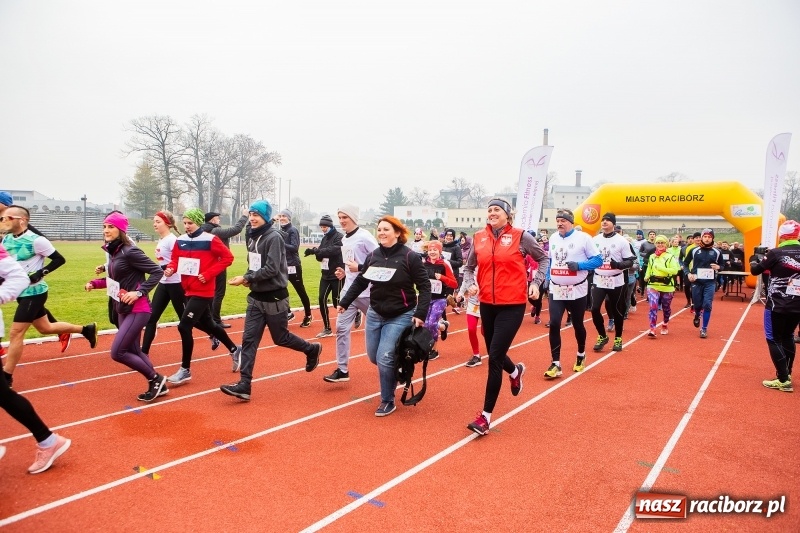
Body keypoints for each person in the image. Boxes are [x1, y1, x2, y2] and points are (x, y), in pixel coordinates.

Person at [456, 199, 547, 435]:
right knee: (495, 352)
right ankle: (515, 372)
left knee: (494, 358)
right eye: (489, 210)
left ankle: (485, 418)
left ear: (508, 215)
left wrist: (536, 283)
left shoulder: (521, 236)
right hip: (487, 303)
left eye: (497, 209)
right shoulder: (479, 238)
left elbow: (544, 259)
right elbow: (468, 268)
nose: (492, 212)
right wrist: (469, 285)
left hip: (513, 305)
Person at [219, 200, 323, 401]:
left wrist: (248, 278)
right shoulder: (252, 237)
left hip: (275, 297)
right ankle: (244, 385)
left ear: (265, 217)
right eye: (250, 214)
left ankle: (312, 349)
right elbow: (254, 264)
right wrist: (248, 277)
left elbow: (273, 268)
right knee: (249, 340)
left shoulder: (273, 237)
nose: (252, 218)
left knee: (280, 338)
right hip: (256, 298)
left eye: (256, 215)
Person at [337, 215, 431, 417]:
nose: (381, 233)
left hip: (401, 314)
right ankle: (396, 369)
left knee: (384, 357)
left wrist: (421, 313)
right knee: (374, 357)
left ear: (397, 233)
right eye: (379, 229)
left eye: (386, 229)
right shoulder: (373, 256)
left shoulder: (409, 257)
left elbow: (424, 286)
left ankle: (387, 400)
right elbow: (361, 282)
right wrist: (345, 301)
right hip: (375, 312)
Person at [1, 205, 97, 388]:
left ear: (21, 220)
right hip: (19, 292)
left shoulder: (36, 241)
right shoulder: (6, 241)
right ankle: (86, 330)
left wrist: (41, 272)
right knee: (45, 328)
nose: (3, 221)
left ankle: (6, 377)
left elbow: (59, 259)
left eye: (7, 218)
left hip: (34, 292)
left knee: (16, 332)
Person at [0, 242, 71, 473]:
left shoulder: (31, 238)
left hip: (35, 292)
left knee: (2, 392)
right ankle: (48, 441)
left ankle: (48, 441)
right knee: (2, 393)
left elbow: (19, 277)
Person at [84, 212, 168, 401]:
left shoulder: (130, 251)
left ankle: (156, 378)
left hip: (138, 309)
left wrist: (139, 292)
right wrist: (95, 283)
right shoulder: (113, 252)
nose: (106, 230)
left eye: (111, 227)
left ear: (120, 230)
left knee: (118, 352)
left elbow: (156, 271)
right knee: (134, 351)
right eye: (104, 226)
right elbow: (115, 281)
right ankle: (158, 385)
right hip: (121, 307)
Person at [163, 208, 241, 385]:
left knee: (184, 326)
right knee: (209, 324)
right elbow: (175, 259)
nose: (187, 226)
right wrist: (171, 268)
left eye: (190, 223)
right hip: (188, 289)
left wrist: (208, 273)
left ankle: (185, 370)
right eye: (184, 223)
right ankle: (234, 349)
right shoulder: (181, 240)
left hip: (204, 290)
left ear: (198, 222)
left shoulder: (210, 239)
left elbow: (227, 258)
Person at [544, 208, 603, 379]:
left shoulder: (584, 238)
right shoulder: (554, 238)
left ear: (571, 222)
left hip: (576, 289)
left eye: (563, 220)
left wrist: (579, 266)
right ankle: (556, 363)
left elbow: (598, 260)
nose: (559, 223)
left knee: (578, 323)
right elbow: (551, 260)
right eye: (558, 220)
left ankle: (581, 354)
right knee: (555, 323)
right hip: (557, 289)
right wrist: (548, 277)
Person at [323, 205, 378, 384]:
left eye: (345, 217)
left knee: (380, 331)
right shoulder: (345, 239)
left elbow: (381, 260)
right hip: (349, 292)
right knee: (340, 328)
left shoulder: (365, 237)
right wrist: (346, 272)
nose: (341, 220)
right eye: (339, 217)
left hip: (369, 292)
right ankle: (342, 369)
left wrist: (360, 268)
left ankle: (395, 360)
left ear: (354, 218)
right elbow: (351, 264)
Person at [749, 220, 800, 392]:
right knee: (788, 336)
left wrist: (754, 259)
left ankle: (783, 379)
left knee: (773, 338)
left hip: (777, 304)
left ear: (781, 235)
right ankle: (787, 373)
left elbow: (756, 271)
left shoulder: (776, 252)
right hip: (797, 304)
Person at [589, 213, 636, 358]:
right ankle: (602, 335)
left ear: (613, 224)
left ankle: (618, 338)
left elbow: (631, 261)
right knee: (595, 308)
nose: (604, 222)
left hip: (616, 280)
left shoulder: (622, 241)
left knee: (617, 310)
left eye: (608, 220)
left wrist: (619, 265)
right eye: (603, 220)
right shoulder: (594, 240)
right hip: (599, 279)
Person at [141, 210, 187, 355]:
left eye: (158, 221)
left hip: (176, 283)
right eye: (154, 221)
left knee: (185, 321)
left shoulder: (172, 240)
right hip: (164, 283)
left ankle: (213, 333)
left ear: (167, 223)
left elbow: (182, 260)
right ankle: (144, 352)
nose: (154, 224)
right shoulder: (161, 240)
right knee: (151, 318)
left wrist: (171, 269)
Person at [200, 209, 248, 328]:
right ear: (213, 220)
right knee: (219, 293)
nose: (219, 220)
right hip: (219, 264)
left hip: (209, 264)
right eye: (217, 218)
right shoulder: (215, 230)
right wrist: (244, 216)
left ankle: (209, 318)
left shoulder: (204, 230)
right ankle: (215, 321)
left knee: (211, 292)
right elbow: (235, 230)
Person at [304, 214, 344, 338]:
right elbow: (321, 256)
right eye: (321, 227)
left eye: (325, 226)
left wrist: (316, 251)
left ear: (331, 226)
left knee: (337, 303)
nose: (323, 229)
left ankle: (355, 311)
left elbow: (334, 250)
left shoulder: (339, 237)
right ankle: (327, 328)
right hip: (325, 275)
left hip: (337, 274)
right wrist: (315, 253)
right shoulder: (324, 239)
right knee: (321, 299)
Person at [422, 240, 458, 360]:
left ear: (439, 251)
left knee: (431, 323)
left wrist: (442, 277)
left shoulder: (444, 265)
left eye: (435, 250)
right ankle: (442, 326)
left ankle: (434, 350)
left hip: (440, 299)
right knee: (425, 324)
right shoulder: (423, 265)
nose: (432, 252)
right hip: (426, 298)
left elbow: (454, 283)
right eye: (430, 250)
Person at [277, 209, 313, 327]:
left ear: (289, 218)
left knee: (300, 291)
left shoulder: (293, 230)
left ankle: (308, 315)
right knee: (279, 288)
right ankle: (288, 312)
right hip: (282, 265)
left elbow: (294, 247)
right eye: (280, 216)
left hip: (293, 265)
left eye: (284, 216)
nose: (282, 218)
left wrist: (280, 242)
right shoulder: (280, 230)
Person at [684, 228, 721, 338]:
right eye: (705, 236)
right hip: (697, 281)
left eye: (709, 237)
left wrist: (719, 267)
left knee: (707, 305)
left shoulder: (717, 252)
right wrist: (688, 274)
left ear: (712, 238)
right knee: (698, 304)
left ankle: (704, 329)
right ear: (702, 237)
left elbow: (723, 265)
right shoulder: (694, 251)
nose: (707, 238)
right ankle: (697, 314)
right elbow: (685, 263)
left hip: (710, 282)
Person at [643, 234, 681, 337]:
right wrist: (646, 276)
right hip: (653, 284)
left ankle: (665, 323)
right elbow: (649, 268)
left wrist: (661, 268)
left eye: (662, 242)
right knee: (653, 306)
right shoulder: (652, 256)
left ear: (666, 244)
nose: (660, 244)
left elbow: (674, 270)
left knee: (666, 307)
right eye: (658, 243)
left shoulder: (670, 256)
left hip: (667, 285)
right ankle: (652, 328)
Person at [463, 282, 484, 368]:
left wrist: (480, 289)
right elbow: (466, 279)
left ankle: (498, 348)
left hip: (485, 302)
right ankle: (476, 355)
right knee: (471, 329)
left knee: (485, 332)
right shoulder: (470, 268)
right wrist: (460, 293)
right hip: (472, 303)